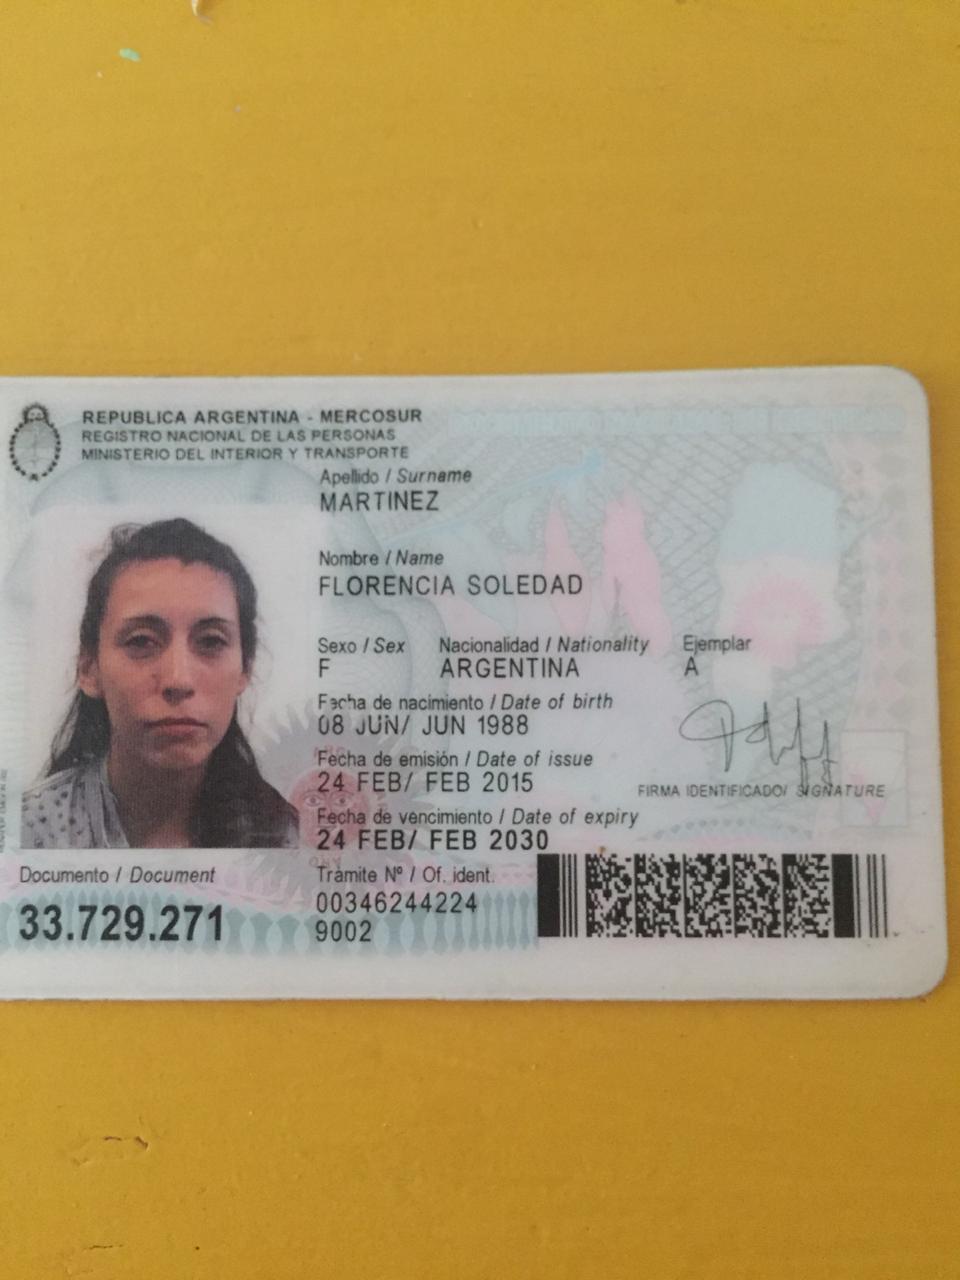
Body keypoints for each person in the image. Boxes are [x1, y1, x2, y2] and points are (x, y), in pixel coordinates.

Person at [21, 518, 300, 849]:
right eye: (141, 641)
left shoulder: (287, 837)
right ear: (89, 668)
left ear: (245, 669)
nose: (178, 679)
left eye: (211, 641)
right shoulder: (29, 831)